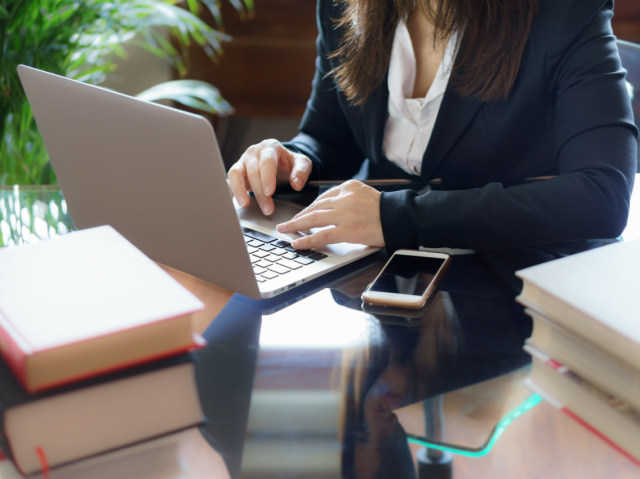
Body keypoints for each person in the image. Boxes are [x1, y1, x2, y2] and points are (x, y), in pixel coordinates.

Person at [227, 0, 638, 255]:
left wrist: (398, 217)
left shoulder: (564, 9)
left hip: (505, 275)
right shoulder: (344, 4)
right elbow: (329, 137)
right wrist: (294, 161)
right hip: (366, 262)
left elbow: (603, 194)